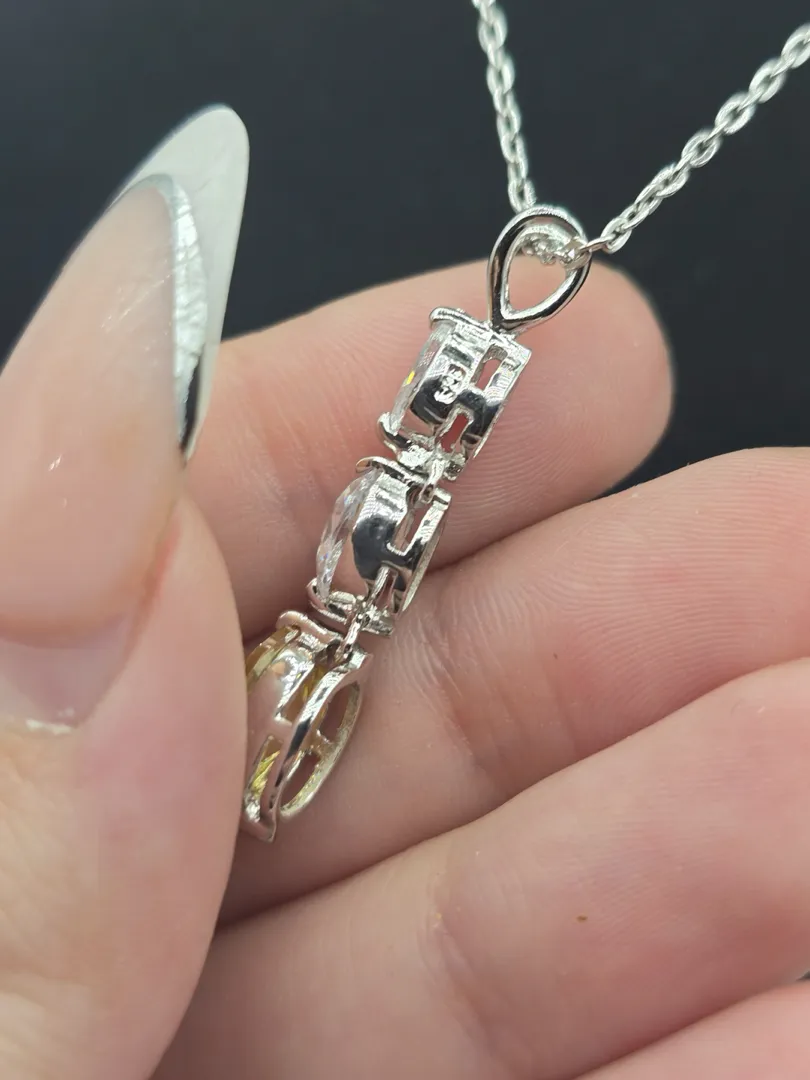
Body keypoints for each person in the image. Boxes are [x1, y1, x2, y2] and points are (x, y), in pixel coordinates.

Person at [2, 107, 809, 1080]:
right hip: (332, 604)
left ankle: (264, 767)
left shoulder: (424, 473)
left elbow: (401, 525)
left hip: (350, 604)